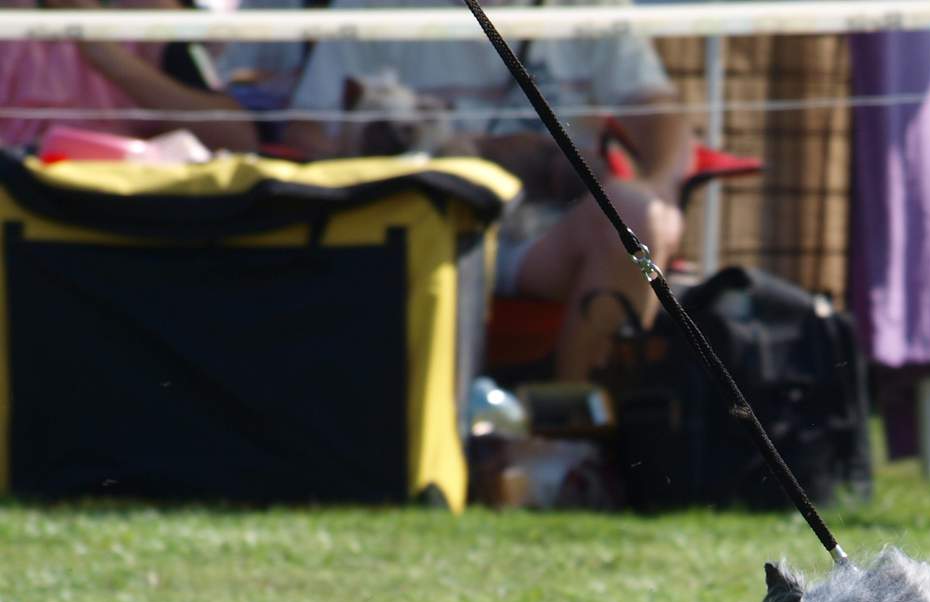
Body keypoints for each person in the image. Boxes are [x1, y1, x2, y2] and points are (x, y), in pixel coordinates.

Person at [279, 0, 690, 383]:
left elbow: (658, 109)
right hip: (415, 226)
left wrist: (661, 188)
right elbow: (306, 132)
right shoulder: (371, 8)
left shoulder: (591, 9)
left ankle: (573, 433)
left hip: (541, 231)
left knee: (640, 216)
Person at [0, 0, 255, 154]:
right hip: (16, 205)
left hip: (128, 211)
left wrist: (109, 56)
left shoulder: (153, 16)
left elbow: (236, 140)